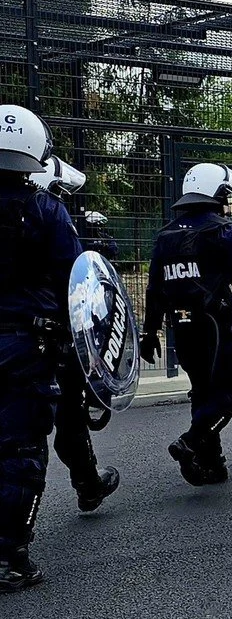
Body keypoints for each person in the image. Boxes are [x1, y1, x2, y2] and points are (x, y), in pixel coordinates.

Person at [0, 105, 84, 591]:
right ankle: (10, 555)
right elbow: (77, 282)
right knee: (20, 446)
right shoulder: (45, 209)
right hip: (25, 344)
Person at [140, 163, 232, 486]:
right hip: (217, 324)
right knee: (229, 395)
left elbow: (154, 289)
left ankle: (211, 464)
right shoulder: (223, 231)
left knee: (201, 391)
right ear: (215, 194)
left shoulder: (166, 235)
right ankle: (192, 440)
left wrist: (150, 331)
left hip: (181, 326)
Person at [29, 155, 120, 512]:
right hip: (46, 339)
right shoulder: (49, 215)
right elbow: (79, 282)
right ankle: (87, 484)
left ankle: (89, 483)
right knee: (61, 422)